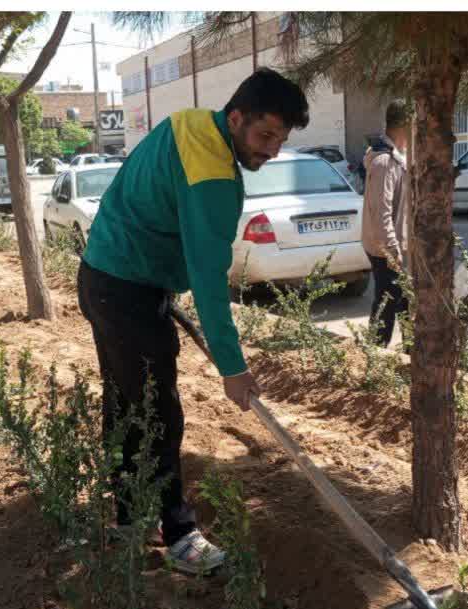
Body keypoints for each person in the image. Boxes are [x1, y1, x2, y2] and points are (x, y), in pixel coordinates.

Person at [79, 68, 310, 576]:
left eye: (281, 139)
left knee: (127, 403)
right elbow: (209, 279)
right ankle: (179, 535)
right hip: (127, 289)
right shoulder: (213, 175)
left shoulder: (189, 124)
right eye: (264, 134)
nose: (271, 150)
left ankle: (130, 519)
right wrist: (232, 366)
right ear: (236, 118)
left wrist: (163, 282)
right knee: (158, 412)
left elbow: (162, 214)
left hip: (107, 276)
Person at [360, 100, 412, 348]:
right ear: (405, 125)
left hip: (395, 248)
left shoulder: (397, 157)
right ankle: (374, 361)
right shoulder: (384, 163)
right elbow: (382, 215)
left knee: (404, 304)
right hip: (386, 250)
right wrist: (394, 253)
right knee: (387, 305)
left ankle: (410, 358)